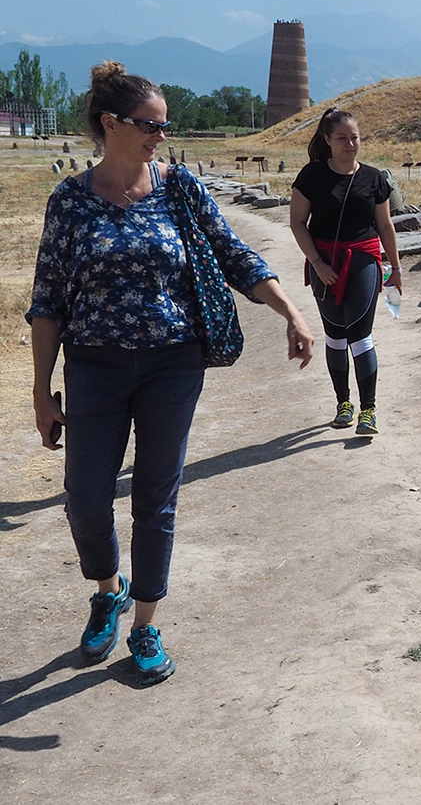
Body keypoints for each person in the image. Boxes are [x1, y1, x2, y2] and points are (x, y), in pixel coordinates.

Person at [27, 62, 315, 685]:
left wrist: (291, 312)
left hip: (172, 364)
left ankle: (145, 623)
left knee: (155, 499)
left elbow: (234, 254)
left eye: (164, 126)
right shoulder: (70, 201)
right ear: (110, 124)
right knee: (85, 497)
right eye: (150, 125)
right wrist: (41, 390)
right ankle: (108, 590)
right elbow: (47, 300)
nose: (162, 136)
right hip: (94, 365)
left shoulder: (179, 187)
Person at [288, 108, 401, 435]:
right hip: (324, 263)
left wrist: (395, 268)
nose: (350, 144)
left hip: (363, 260)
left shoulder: (374, 178)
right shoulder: (311, 176)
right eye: (342, 138)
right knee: (336, 336)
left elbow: (385, 225)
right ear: (327, 140)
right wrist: (318, 264)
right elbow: (297, 223)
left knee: (360, 335)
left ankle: (369, 410)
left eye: (355, 138)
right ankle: (343, 404)